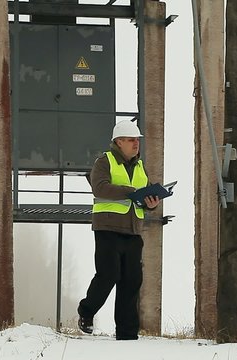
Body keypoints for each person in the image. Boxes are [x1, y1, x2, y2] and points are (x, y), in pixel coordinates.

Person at [77, 119, 160, 340]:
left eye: (137, 140)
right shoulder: (104, 162)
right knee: (108, 274)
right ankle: (86, 312)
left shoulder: (140, 166)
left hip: (133, 232)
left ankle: (127, 334)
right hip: (108, 230)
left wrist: (150, 203)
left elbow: (142, 196)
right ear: (119, 141)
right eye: (131, 140)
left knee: (132, 280)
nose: (136, 144)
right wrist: (130, 191)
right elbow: (100, 187)